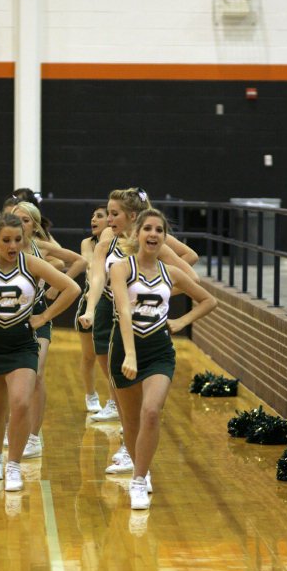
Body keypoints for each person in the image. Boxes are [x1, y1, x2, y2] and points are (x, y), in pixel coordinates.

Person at [0, 211, 79, 492]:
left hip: (22, 344)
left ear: (24, 239)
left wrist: (44, 318)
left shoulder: (32, 264)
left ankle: (13, 464)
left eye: (17, 240)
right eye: (6, 240)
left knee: (21, 402)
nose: (12, 246)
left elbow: (71, 288)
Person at [79, 187, 200, 473]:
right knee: (116, 383)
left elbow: (192, 275)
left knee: (142, 396)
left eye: (114, 213)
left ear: (131, 216)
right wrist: (89, 308)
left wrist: (160, 293)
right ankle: (127, 442)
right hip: (109, 314)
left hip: (140, 319)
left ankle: (128, 449)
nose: (108, 219)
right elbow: (97, 279)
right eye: (107, 213)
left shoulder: (152, 242)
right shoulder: (105, 243)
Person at [108, 208, 217, 509]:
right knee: (130, 423)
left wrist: (182, 322)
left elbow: (209, 300)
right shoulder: (121, 268)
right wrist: (129, 353)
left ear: (164, 237)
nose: (153, 234)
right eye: (148, 229)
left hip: (159, 352)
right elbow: (124, 312)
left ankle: (139, 479)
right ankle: (142, 468)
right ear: (137, 234)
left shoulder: (172, 273)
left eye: (159, 230)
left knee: (151, 412)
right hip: (125, 350)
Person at [7, 201, 87, 456]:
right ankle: (15, 421)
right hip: (9, 319)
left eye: (26, 220)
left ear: (34, 224)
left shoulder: (41, 246)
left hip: (38, 315)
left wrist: (55, 287)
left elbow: (79, 261)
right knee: (12, 376)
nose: (21, 224)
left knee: (37, 374)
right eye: (16, 219)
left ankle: (33, 436)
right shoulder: (3, 248)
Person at [74, 206, 109, 412]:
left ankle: (115, 401)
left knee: (112, 356)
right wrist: (95, 291)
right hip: (90, 300)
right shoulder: (88, 243)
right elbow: (90, 267)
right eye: (92, 215)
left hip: (112, 302)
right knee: (89, 356)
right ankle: (91, 395)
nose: (93, 219)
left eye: (99, 216)